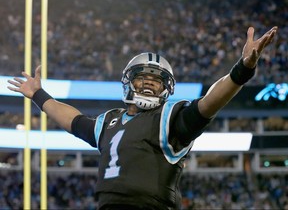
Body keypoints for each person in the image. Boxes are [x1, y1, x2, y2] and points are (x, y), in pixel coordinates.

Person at [8, 26, 277, 210]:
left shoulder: (170, 119)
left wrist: (242, 70)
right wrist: (38, 95)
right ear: (128, 83)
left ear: (166, 89)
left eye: (156, 81)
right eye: (142, 77)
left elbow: (208, 103)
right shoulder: (110, 121)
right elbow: (73, 121)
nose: (149, 84)